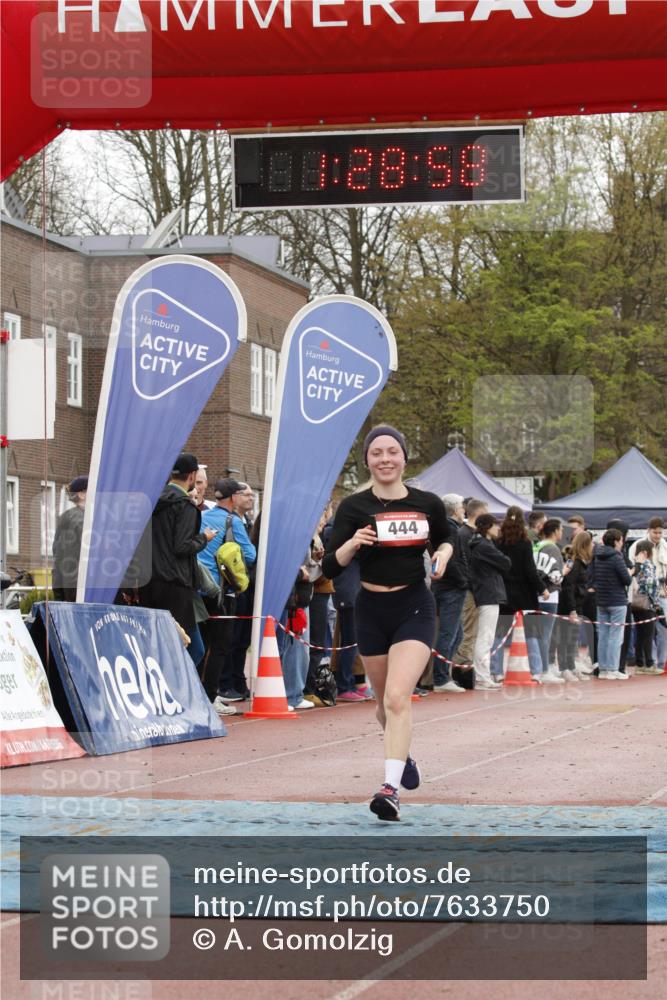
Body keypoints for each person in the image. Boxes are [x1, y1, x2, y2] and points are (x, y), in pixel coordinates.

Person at [322, 425, 454, 822]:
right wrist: (352, 543)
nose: (384, 459)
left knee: (398, 698)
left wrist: (443, 555)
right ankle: (404, 755)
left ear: (403, 458)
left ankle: (389, 789)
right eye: (376, 452)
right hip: (371, 609)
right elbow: (329, 564)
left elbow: (446, 539)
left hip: (414, 604)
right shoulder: (353, 507)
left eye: (392, 452)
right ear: (367, 460)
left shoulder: (427, 503)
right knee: (383, 707)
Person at [138, 454, 217, 635]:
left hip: (148, 582)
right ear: (192, 476)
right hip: (174, 584)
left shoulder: (150, 502)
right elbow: (182, 546)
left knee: (155, 642)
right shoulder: (185, 507)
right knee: (187, 647)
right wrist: (204, 538)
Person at [198, 478, 256, 703]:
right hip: (222, 592)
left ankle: (198, 695)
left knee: (201, 645)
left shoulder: (202, 517)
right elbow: (250, 555)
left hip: (199, 588)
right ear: (233, 498)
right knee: (220, 646)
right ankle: (210, 697)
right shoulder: (233, 521)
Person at [491, 505, 548, 680]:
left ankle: (496, 672)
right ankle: (536, 671)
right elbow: (530, 570)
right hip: (525, 594)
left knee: (499, 634)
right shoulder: (525, 543)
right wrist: (542, 588)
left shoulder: (497, 542)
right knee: (531, 634)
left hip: (503, 593)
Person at [468, 514, 511, 690]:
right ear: (487, 527)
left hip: (485, 592)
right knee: (485, 638)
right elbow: (506, 562)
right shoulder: (484, 546)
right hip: (488, 593)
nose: (498, 529)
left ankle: (482, 676)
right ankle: (482, 677)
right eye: (495, 526)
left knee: (484, 637)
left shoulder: (479, 544)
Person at [432, 493, 469, 694]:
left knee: (456, 633)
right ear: (455, 510)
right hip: (451, 587)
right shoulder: (450, 530)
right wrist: (464, 581)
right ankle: (440, 677)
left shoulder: (446, 528)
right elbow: (453, 560)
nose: (464, 510)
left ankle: (443, 673)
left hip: (446, 585)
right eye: (462, 507)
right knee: (449, 632)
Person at [588, 528, 633, 680]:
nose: (622, 543)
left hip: (601, 600)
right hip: (617, 601)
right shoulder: (617, 557)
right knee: (615, 636)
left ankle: (603, 669)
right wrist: (631, 572)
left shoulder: (597, 555)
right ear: (615, 542)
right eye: (620, 540)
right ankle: (613, 669)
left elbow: (592, 576)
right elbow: (627, 580)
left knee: (603, 636)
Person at [452, 498, 489, 667]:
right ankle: (462, 668)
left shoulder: (470, 533)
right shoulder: (464, 534)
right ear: (480, 514)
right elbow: (463, 562)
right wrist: (469, 584)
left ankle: (466, 666)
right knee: (469, 631)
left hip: (475, 588)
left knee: (473, 631)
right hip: (470, 589)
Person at [554, 531, 594, 681]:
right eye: (591, 543)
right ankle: (564, 668)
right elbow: (568, 587)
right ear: (586, 545)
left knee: (573, 638)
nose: (593, 546)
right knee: (565, 638)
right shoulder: (575, 563)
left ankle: (571, 666)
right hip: (570, 606)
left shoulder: (582, 562)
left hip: (578, 604)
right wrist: (572, 610)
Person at [629, 517, 667, 671]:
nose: (658, 535)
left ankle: (661, 662)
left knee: (662, 630)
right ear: (648, 530)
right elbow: (633, 571)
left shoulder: (665, 546)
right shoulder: (637, 546)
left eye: (660, 532)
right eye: (655, 532)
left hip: (662, 595)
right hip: (645, 597)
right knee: (647, 631)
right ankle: (648, 662)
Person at [532, 518, 565, 683]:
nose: (562, 533)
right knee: (545, 634)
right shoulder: (553, 549)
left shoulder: (536, 546)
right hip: (550, 594)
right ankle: (544, 670)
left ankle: (539, 668)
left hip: (536, 593)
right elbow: (556, 576)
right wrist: (563, 572)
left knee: (537, 634)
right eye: (560, 529)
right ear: (555, 531)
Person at [52, 476, 87, 601]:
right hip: (82, 588)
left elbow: (58, 558)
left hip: (70, 589)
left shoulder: (66, 517)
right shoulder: (83, 520)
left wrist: (58, 593)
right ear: (82, 494)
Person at [630, 540, 661, 674]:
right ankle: (649, 664)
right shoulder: (648, 564)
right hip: (647, 603)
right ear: (647, 552)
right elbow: (650, 584)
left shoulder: (636, 565)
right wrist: (655, 601)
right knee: (648, 634)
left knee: (640, 634)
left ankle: (639, 663)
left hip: (636, 603)